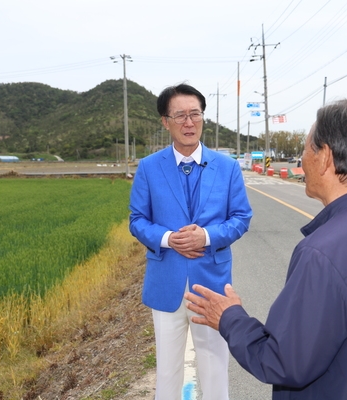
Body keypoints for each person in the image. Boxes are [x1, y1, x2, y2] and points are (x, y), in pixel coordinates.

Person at [185, 98, 347, 399]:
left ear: (325, 158)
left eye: (307, 148)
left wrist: (229, 317)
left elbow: (284, 361)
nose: (301, 159)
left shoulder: (322, 252)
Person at [129, 83, 253, 400]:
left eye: (194, 114)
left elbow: (241, 217)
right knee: (167, 370)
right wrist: (170, 239)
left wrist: (206, 236)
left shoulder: (226, 167)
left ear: (203, 118)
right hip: (166, 280)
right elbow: (137, 220)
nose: (188, 122)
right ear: (165, 121)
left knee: (214, 366)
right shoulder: (148, 167)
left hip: (211, 283)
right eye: (180, 115)